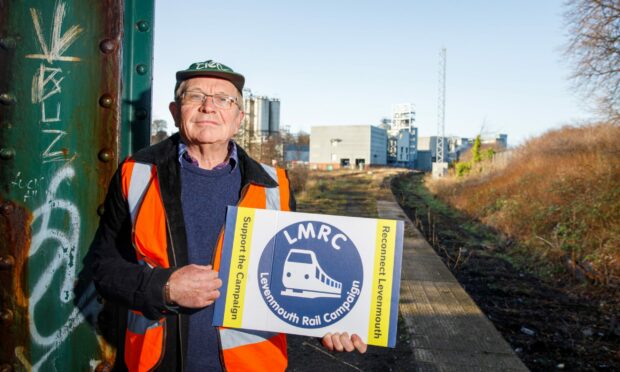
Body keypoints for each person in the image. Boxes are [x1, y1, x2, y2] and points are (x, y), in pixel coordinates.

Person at [91, 59, 367, 372]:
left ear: (239, 118)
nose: (209, 107)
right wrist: (164, 287)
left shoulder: (276, 185)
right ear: (174, 110)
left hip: (253, 365)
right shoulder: (136, 173)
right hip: (158, 364)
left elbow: (288, 283)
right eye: (195, 96)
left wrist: (332, 321)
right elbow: (104, 269)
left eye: (224, 99)